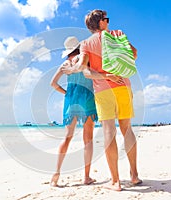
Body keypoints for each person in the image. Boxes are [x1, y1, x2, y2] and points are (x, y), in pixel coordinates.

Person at [62, 9, 142, 191]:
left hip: (103, 91)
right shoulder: (118, 34)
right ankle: (135, 175)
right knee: (126, 129)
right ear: (101, 22)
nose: (108, 21)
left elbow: (84, 68)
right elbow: (134, 54)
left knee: (108, 131)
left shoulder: (86, 44)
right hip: (123, 85)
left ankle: (116, 181)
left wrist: (73, 70)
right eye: (106, 19)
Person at [50, 36, 97, 187]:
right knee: (87, 139)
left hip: (70, 102)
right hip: (87, 98)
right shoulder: (84, 58)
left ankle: (56, 175)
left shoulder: (65, 64)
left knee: (67, 137)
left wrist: (67, 93)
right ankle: (87, 177)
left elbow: (53, 83)